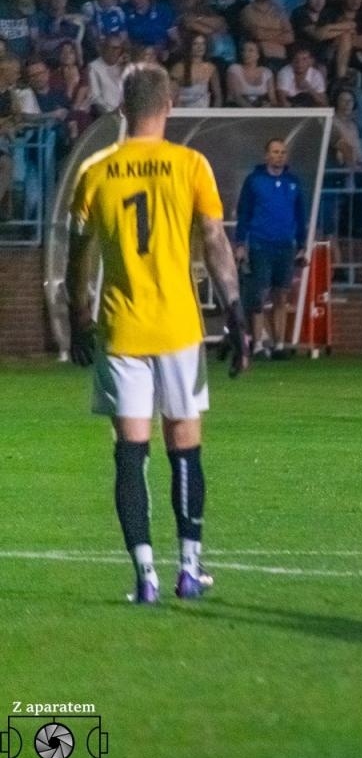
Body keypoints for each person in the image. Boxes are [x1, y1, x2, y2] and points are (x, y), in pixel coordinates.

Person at [66, 64, 249, 603]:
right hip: (178, 329)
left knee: (131, 451)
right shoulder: (191, 164)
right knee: (185, 448)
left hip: (121, 328)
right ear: (169, 106)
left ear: (122, 109)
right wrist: (236, 313)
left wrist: (78, 318)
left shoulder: (95, 171)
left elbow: (79, 257)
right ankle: (189, 568)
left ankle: (144, 576)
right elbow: (214, 241)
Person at [234, 138, 310, 360]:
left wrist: (302, 244)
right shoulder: (254, 181)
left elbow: (300, 215)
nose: (279, 156)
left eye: (283, 152)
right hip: (260, 243)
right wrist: (240, 243)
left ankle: (279, 344)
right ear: (266, 155)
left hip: (285, 245)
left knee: (281, 295)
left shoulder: (293, 182)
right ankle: (257, 343)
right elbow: (244, 213)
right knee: (259, 295)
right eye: (275, 152)